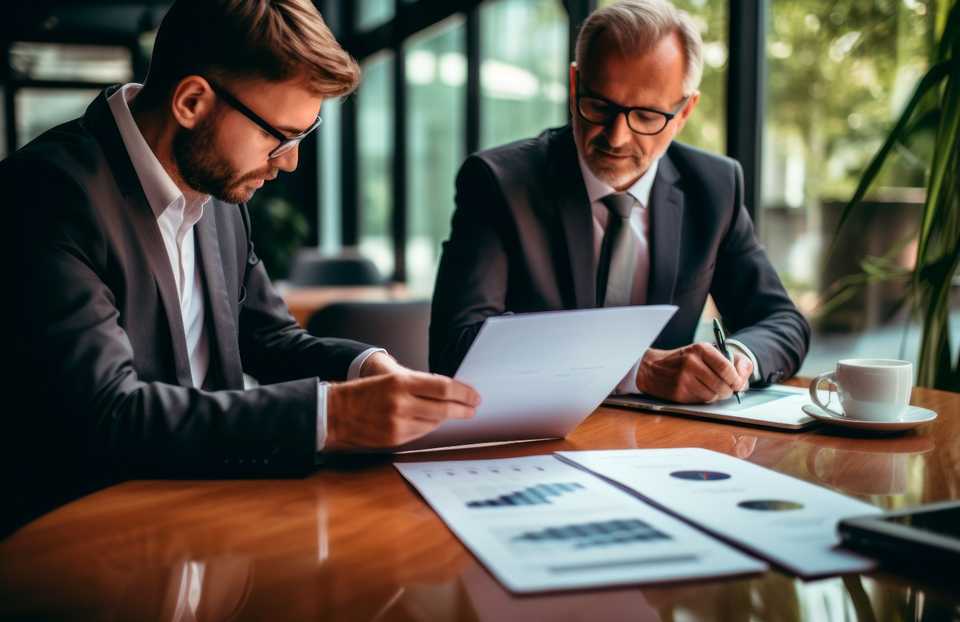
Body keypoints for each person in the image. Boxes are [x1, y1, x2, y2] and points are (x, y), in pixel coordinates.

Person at [1, 0, 478, 536]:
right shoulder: (46, 195)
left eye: (303, 136)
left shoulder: (216, 188)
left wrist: (368, 367)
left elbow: (270, 339)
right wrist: (334, 418)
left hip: (215, 513)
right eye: (278, 136)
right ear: (192, 101)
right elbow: (108, 413)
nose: (289, 161)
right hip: (89, 541)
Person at [430, 0, 809, 404]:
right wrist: (636, 370)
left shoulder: (714, 187)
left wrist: (733, 361)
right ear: (575, 85)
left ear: (685, 112)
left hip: (665, 446)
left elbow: (783, 322)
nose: (616, 137)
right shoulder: (498, 183)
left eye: (646, 116)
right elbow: (458, 348)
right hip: (529, 440)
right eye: (599, 106)